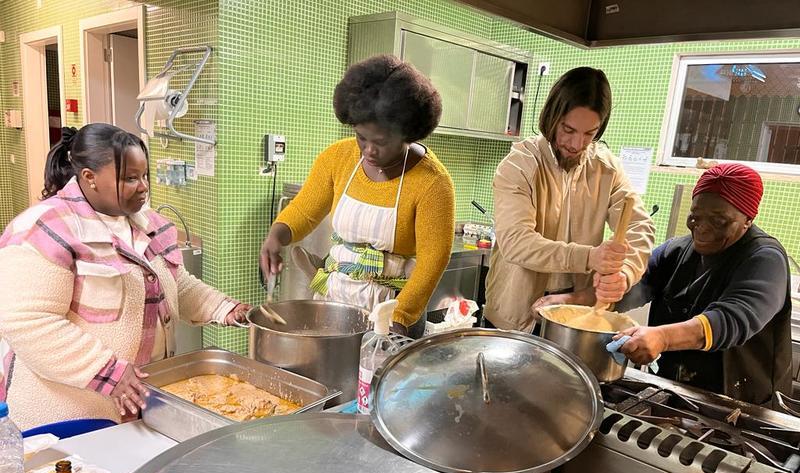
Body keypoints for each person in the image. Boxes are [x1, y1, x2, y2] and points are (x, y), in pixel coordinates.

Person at [0, 124, 250, 430]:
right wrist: (107, 371)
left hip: (139, 409)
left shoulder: (148, 224)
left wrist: (224, 308)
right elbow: (28, 321)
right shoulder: (45, 227)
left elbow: (176, 284)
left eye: (144, 176)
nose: (143, 187)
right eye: (130, 178)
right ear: (89, 177)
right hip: (66, 419)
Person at [542, 163, 792, 405]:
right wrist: (569, 301)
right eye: (695, 217)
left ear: (748, 219)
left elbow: (731, 319)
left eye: (719, 221)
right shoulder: (677, 250)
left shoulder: (765, 259)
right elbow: (632, 286)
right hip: (677, 391)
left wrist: (662, 337)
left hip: (740, 404)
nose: (702, 229)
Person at [259, 54, 455, 337]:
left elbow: (432, 260)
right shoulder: (337, 157)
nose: (369, 151)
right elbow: (304, 210)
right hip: (336, 301)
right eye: (361, 137)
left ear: (407, 134)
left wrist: (398, 318)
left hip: (394, 310)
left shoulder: (433, 183)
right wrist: (276, 236)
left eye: (381, 141)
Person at [483, 66, 655, 332]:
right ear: (552, 117)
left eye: (589, 134)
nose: (576, 144)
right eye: (568, 129)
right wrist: (589, 257)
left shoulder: (607, 169)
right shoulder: (519, 165)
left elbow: (640, 226)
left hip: (573, 316)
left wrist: (625, 272)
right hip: (513, 318)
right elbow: (516, 242)